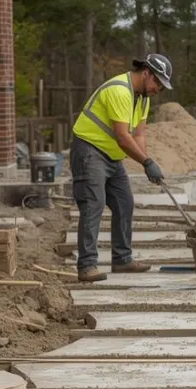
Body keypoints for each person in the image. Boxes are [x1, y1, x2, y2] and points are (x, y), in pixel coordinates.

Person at [70, 53, 173, 283]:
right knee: (93, 204)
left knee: (124, 202)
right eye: (157, 82)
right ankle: (86, 266)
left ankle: (122, 260)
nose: (159, 89)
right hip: (90, 151)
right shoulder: (119, 91)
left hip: (111, 156)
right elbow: (122, 136)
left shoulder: (142, 98)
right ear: (146, 73)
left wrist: (146, 160)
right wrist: (146, 163)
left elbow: (139, 134)